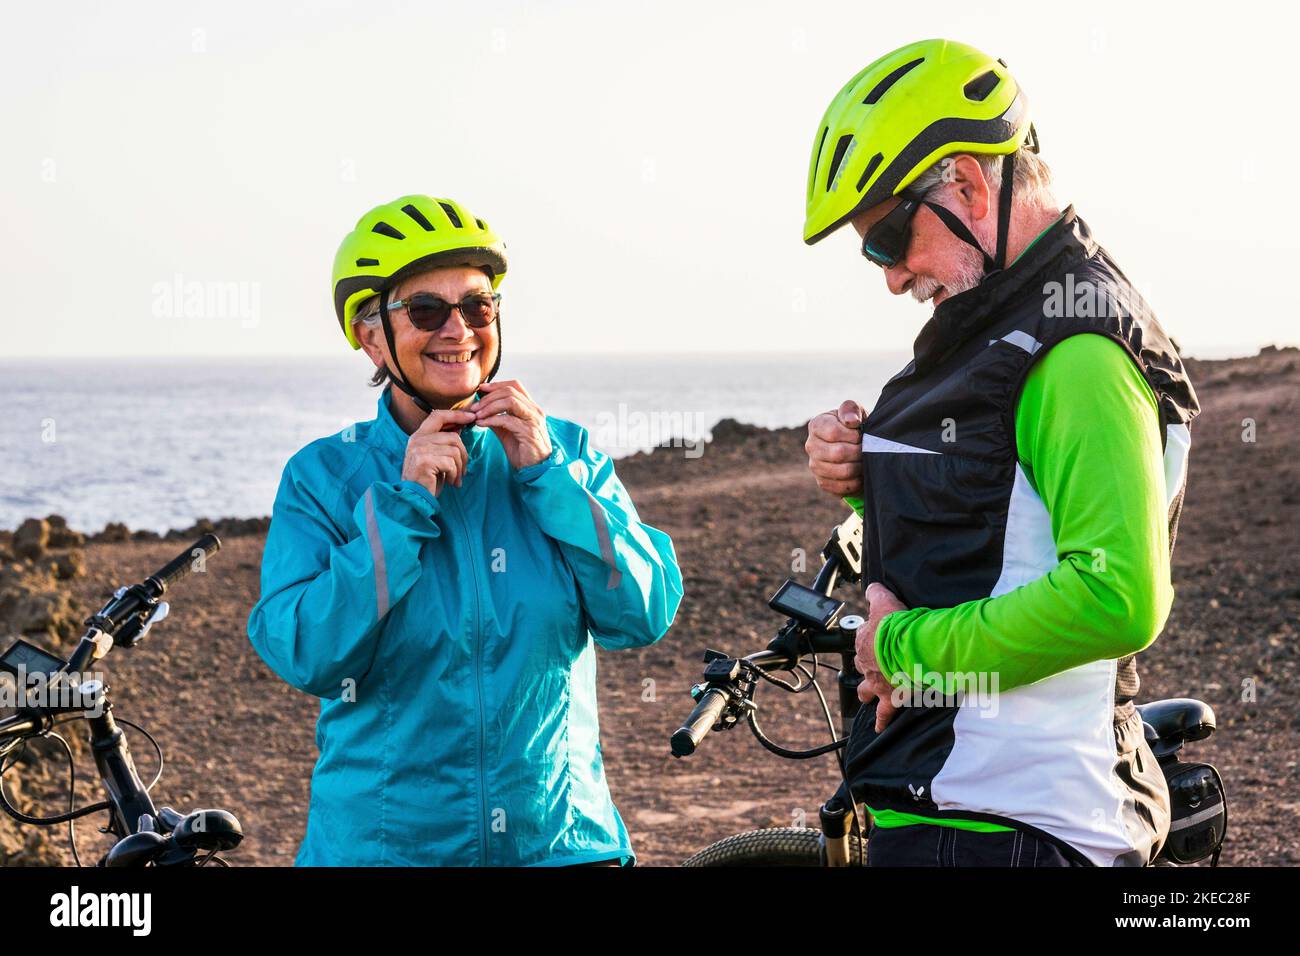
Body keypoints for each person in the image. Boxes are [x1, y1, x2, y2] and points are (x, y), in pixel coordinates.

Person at [802, 40, 1199, 867]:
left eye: (886, 240)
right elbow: (1004, 522)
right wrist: (865, 482)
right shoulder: (1006, 322)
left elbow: (1116, 596)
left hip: (1023, 821)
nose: (888, 276)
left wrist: (901, 649)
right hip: (959, 810)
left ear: (969, 186)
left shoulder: (1078, 349)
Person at [247, 194, 683, 865]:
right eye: (426, 311)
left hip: (561, 848)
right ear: (371, 336)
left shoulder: (564, 452)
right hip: (386, 853)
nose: (458, 330)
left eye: (477, 307)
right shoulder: (324, 476)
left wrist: (547, 476)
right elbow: (308, 652)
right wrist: (404, 502)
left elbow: (643, 612)